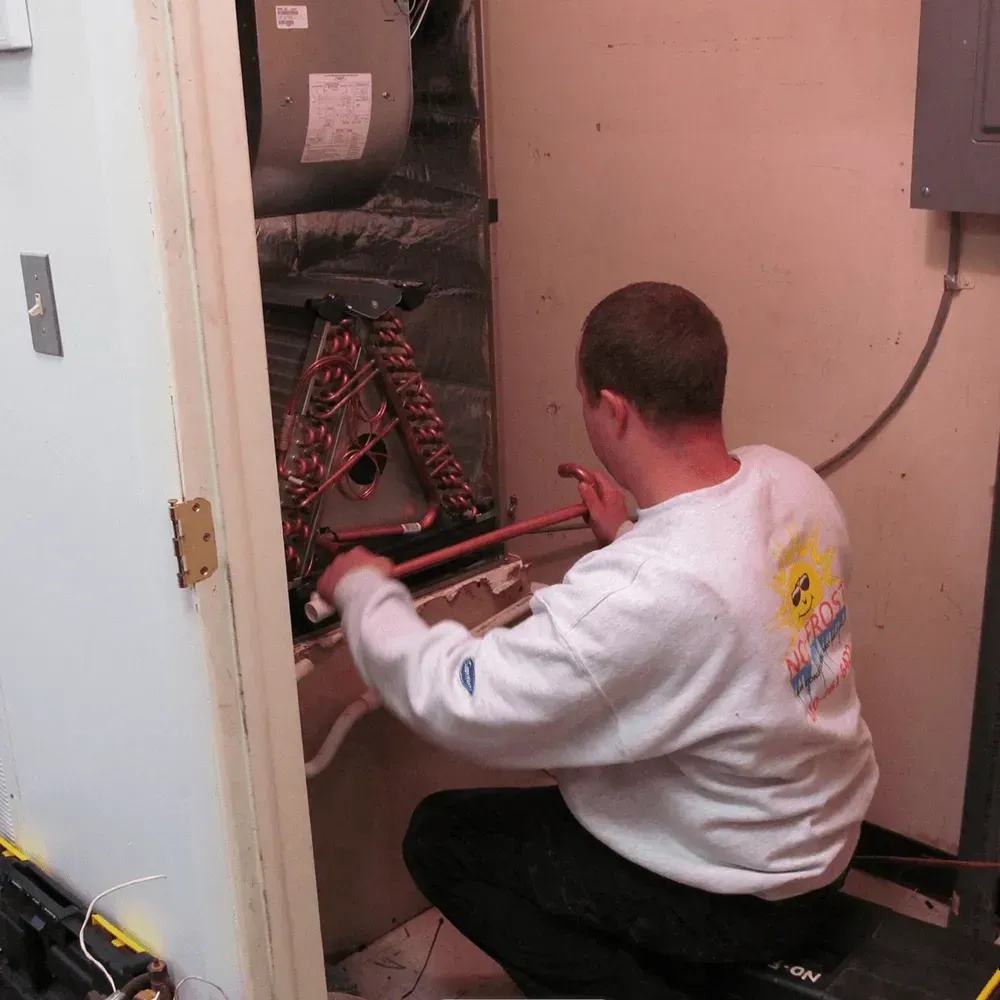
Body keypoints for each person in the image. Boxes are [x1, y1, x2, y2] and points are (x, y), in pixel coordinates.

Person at [317, 282, 879, 1000]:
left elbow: (458, 700)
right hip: (823, 842)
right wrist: (629, 534)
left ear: (612, 408)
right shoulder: (792, 481)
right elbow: (733, 601)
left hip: (743, 897)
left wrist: (363, 589)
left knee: (444, 840)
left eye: (584, 396)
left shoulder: (647, 591)